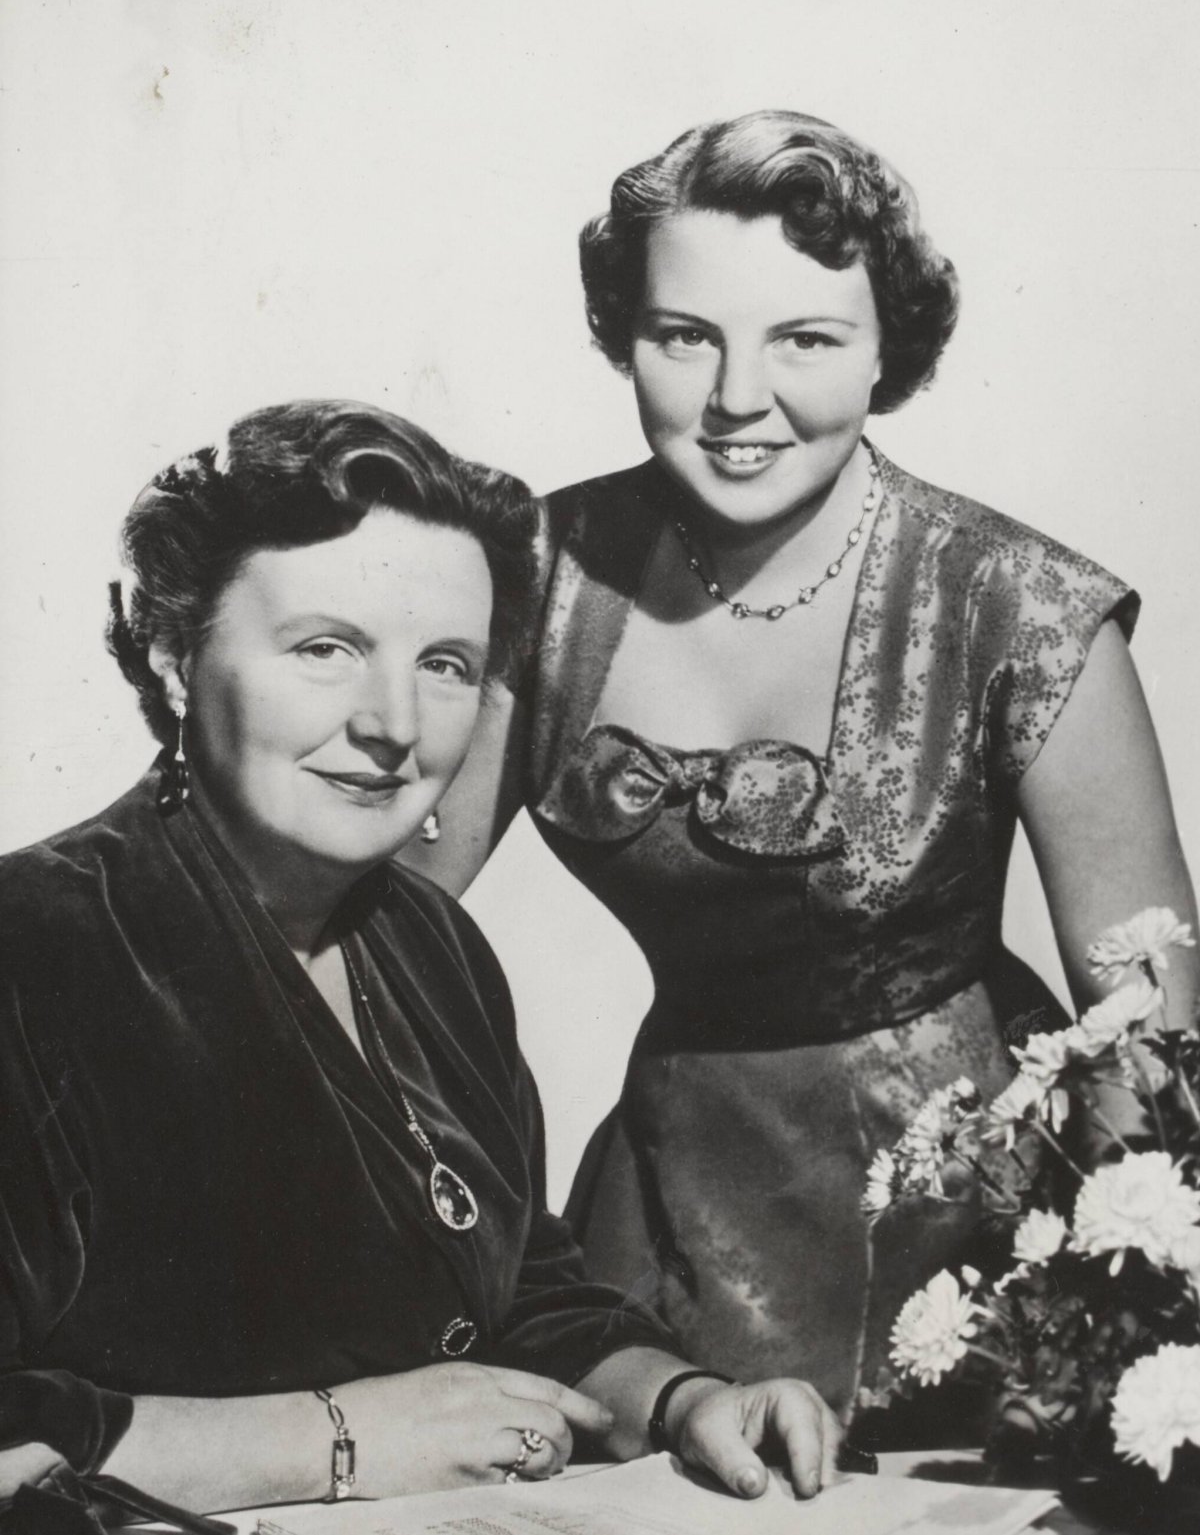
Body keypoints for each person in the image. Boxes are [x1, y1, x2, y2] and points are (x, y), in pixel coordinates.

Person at [406, 111, 1200, 1442]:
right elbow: (383, 939)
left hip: (963, 1244)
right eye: (684, 336)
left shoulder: (1024, 606)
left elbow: (1164, 1048)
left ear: (892, 349)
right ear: (623, 332)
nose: (734, 399)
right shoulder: (535, 574)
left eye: (808, 341)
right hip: (657, 1237)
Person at [0, 401, 844, 1519]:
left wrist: (683, 1399)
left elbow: (518, 1289)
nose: (394, 723)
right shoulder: (33, 948)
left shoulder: (432, 943)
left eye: (446, 663)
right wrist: (335, 1439)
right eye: (325, 649)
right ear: (171, 659)